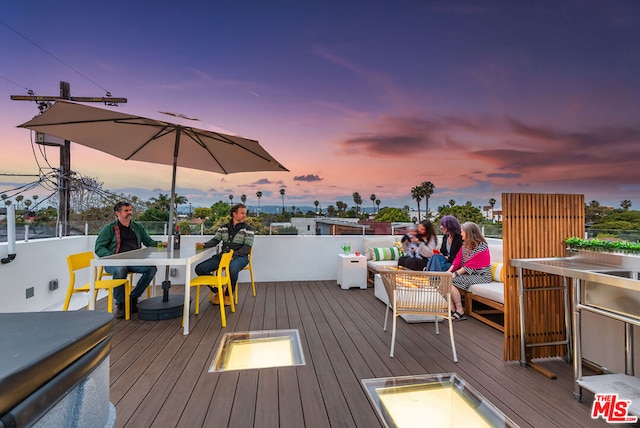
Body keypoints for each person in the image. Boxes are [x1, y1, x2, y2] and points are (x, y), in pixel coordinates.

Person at [95, 201, 162, 318]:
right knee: (121, 269)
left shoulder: (137, 227)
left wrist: (162, 244)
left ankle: (133, 298)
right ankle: (121, 303)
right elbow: (99, 248)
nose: (129, 213)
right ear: (117, 213)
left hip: (134, 261)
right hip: (114, 262)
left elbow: (149, 242)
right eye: (126, 211)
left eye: (130, 210)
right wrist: (113, 257)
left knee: (151, 269)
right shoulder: (109, 228)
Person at [195, 203, 253, 303]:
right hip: (223, 256)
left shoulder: (248, 229)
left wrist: (233, 256)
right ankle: (219, 290)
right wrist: (204, 244)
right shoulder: (223, 227)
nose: (245, 216)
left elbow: (247, 247)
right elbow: (215, 240)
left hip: (240, 257)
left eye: (245, 213)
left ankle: (228, 294)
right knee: (200, 268)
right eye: (242, 213)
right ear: (234, 214)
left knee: (232, 268)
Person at [447, 221, 492, 321]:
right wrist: (448, 272)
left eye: (462, 232)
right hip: (468, 274)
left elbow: (470, 265)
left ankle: (460, 310)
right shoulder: (464, 245)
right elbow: (457, 260)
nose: (461, 234)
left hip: (482, 276)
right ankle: (451, 308)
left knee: (449, 281)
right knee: (445, 280)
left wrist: (455, 274)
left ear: (469, 233)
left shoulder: (482, 247)